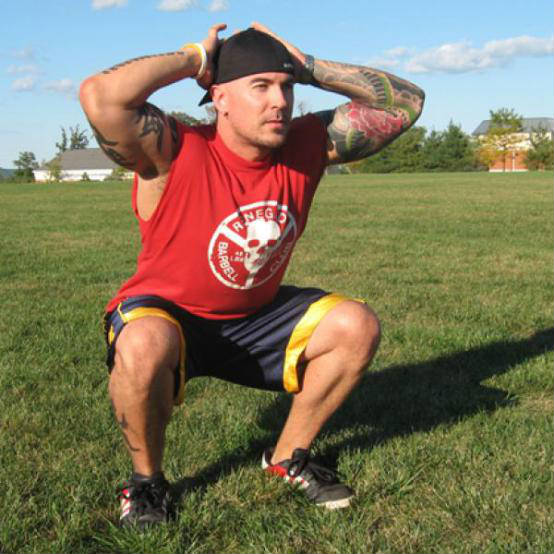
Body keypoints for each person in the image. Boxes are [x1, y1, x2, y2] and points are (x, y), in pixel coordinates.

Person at [79, 21, 425, 528]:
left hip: (254, 318)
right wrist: (195, 58)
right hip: (168, 317)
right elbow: (100, 96)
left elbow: (405, 104)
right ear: (219, 98)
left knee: (357, 325)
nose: (280, 101)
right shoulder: (173, 150)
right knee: (144, 341)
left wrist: (305, 66)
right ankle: (147, 484)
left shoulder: (305, 146)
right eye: (260, 87)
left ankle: (287, 458)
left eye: (285, 87)